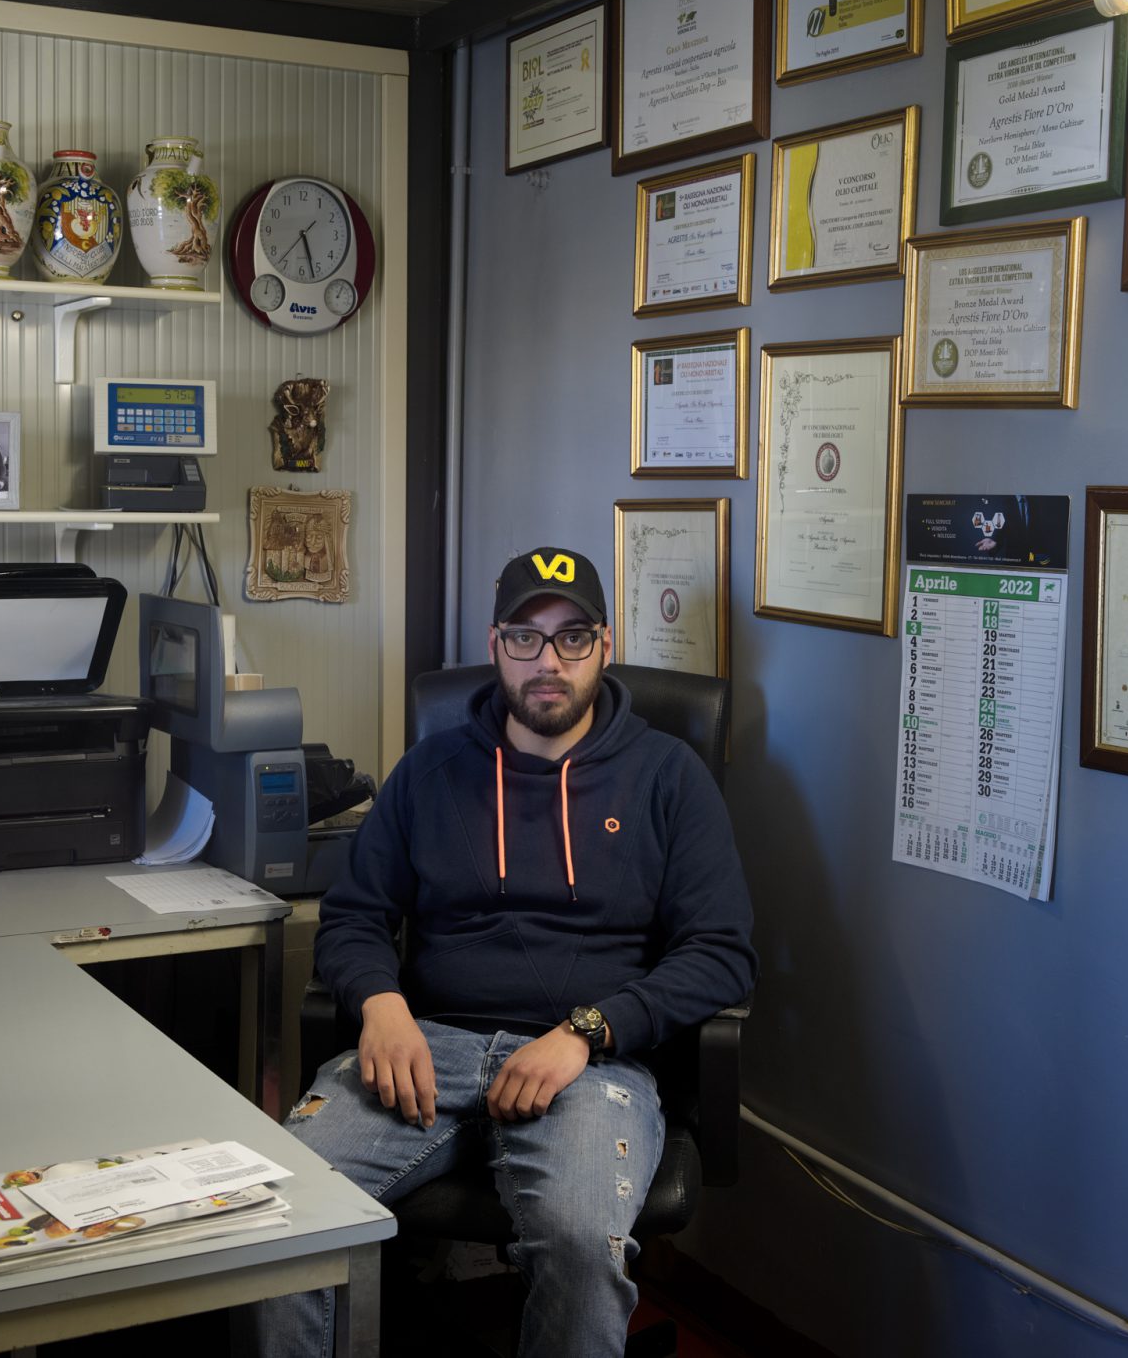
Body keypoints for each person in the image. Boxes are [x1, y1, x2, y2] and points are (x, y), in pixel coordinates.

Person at [246, 546, 757, 1358]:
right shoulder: (429, 773)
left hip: (586, 1068)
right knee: (284, 1210)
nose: (547, 662)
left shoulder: (668, 777)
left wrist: (584, 1033)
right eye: (525, 637)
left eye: (571, 638)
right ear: (494, 645)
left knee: (579, 1244)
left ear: (604, 644)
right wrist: (380, 1007)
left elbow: (721, 954)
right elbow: (351, 919)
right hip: (428, 1049)